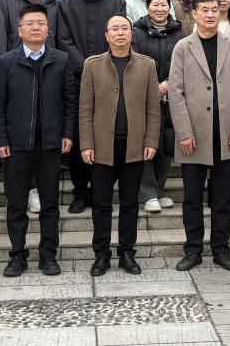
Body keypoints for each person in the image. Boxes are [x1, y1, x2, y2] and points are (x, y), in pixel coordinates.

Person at [0, 4, 77, 278]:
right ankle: (17, 255)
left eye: (40, 23)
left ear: (48, 29)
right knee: (16, 203)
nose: (36, 28)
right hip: (17, 143)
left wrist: (67, 133)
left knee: (50, 203)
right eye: (29, 24)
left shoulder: (60, 60)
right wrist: (1, 138)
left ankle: (48, 254)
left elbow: (70, 101)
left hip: (50, 143)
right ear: (19, 31)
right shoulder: (7, 62)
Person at [170, 0, 230, 272]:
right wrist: (184, 132)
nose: (210, 14)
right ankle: (192, 250)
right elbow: (176, 92)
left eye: (214, 9)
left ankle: (221, 249)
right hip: (193, 134)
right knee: (192, 197)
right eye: (204, 10)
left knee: (222, 197)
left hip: (226, 133)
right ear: (194, 13)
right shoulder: (183, 47)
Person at [80, 14, 160, 276]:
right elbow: (85, 108)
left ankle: (127, 253)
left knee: (129, 203)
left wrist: (151, 141)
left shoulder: (147, 65)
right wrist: (86, 144)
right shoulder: (92, 65)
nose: (120, 33)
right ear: (106, 35)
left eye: (124, 28)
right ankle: (101, 255)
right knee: (101, 203)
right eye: (114, 28)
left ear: (131, 33)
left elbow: (153, 108)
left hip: (134, 145)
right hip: (102, 146)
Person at [56, 0, 127, 214]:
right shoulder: (66, 4)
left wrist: (102, 68)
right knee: (79, 136)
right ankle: (79, 191)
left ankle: (101, 189)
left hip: (111, 79)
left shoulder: (117, 4)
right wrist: (87, 67)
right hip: (77, 81)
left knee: (107, 135)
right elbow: (63, 40)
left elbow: (119, 38)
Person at [131, 0, 183, 214]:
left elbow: (184, 63)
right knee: (147, 143)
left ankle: (159, 190)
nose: (160, 9)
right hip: (144, 97)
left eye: (163, 5)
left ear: (169, 7)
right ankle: (147, 193)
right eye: (155, 5)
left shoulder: (179, 32)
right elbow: (133, 62)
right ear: (147, 7)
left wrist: (170, 82)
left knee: (166, 144)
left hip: (172, 97)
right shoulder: (137, 32)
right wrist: (154, 86)